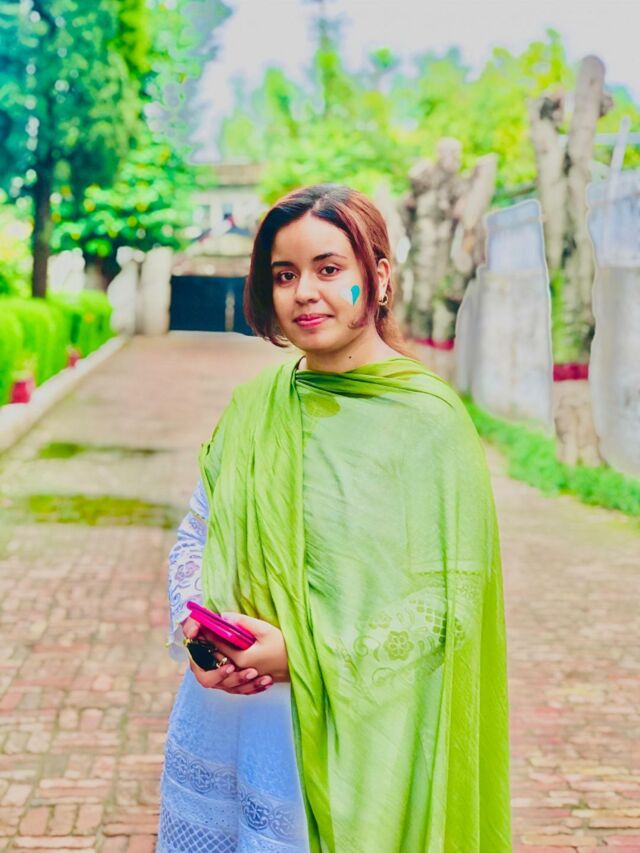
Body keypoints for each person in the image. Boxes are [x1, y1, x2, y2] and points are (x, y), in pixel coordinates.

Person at [157, 183, 512, 853]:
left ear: (378, 277)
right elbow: (197, 535)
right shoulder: (255, 405)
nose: (304, 293)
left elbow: (449, 606)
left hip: (365, 739)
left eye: (328, 269)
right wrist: (200, 635)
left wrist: (301, 656)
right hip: (237, 718)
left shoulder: (428, 423)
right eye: (284, 275)